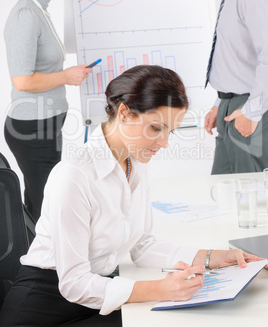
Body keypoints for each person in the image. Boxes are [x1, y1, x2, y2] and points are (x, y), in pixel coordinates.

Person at [0, 65, 261, 326]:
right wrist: (160, 289)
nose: (164, 143)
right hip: (44, 309)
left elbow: (142, 245)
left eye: (170, 131)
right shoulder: (74, 175)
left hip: (97, 296)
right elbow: (74, 283)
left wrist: (211, 257)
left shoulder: (134, 162)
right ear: (124, 113)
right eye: (156, 128)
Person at [3, 0, 92, 222]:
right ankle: (49, 264)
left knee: (41, 205)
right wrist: (67, 76)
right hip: (33, 131)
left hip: (46, 126)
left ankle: (39, 262)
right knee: (48, 209)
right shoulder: (25, 15)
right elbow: (22, 80)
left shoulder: (38, 10)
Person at [203, 0, 268, 174]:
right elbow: (239, 54)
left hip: (251, 110)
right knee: (223, 198)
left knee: (254, 205)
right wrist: (221, 102)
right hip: (232, 108)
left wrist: (252, 112)